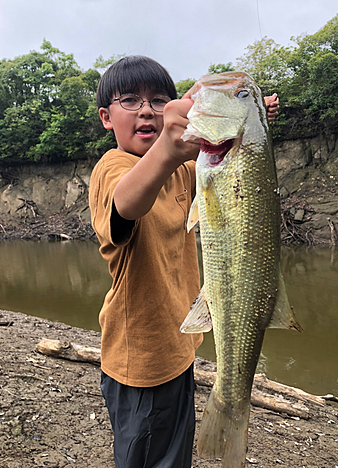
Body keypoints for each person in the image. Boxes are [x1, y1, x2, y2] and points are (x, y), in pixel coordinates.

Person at [88, 55, 279, 468]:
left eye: (159, 100)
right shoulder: (113, 167)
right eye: (129, 101)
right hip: (138, 362)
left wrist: (248, 120)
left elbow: (227, 168)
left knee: (173, 459)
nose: (146, 110)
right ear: (106, 117)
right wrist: (167, 150)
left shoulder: (187, 169)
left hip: (180, 350)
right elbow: (125, 204)